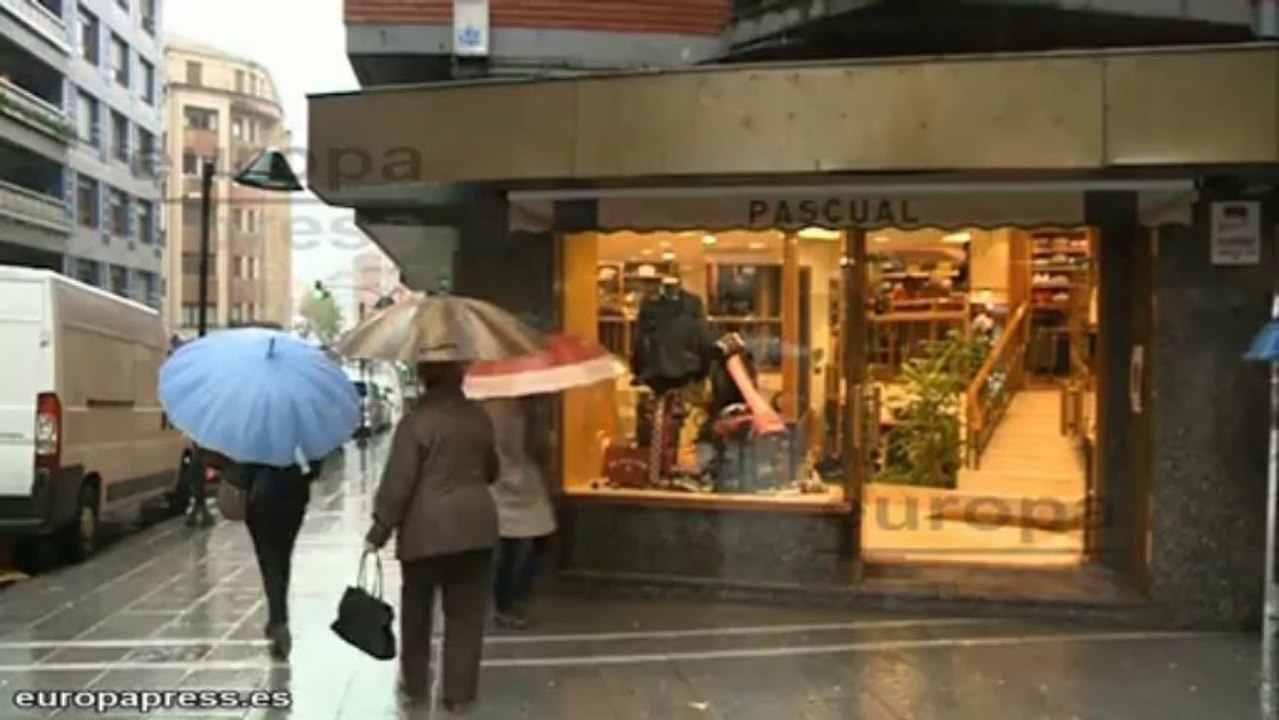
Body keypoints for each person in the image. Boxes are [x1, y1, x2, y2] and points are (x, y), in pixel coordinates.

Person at [364, 361, 499, 714]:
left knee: (417, 613)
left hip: (424, 534)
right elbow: (492, 471)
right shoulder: (479, 419)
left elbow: (399, 482)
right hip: (476, 528)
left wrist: (380, 529)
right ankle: (459, 695)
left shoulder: (415, 423)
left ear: (424, 378)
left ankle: (415, 683)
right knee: (466, 617)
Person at [224, 457, 323, 660]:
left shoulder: (252, 427)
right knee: (283, 554)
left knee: (268, 556)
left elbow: (238, 467)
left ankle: (277, 618)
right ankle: (278, 616)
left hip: (259, 495)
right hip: (294, 492)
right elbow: (315, 466)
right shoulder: (300, 426)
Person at [482, 397, 556, 630]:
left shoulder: (489, 409)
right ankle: (509, 603)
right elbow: (539, 449)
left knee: (510, 547)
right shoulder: (524, 412)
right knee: (533, 544)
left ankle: (507, 602)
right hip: (522, 484)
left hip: (502, 485)